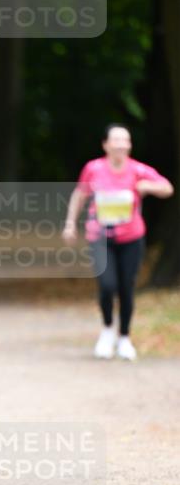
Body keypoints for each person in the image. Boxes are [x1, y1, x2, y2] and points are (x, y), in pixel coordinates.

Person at [63, 124, 173, 360]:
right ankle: (107, 330)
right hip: (100, 237)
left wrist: (148, 186)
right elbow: (79, 195)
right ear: (106, 145)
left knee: (126, 288)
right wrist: (70, 223)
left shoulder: (138, 170)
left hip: (131, 237)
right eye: (117, 140)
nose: (122, 145)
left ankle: (124, 337)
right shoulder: (93, 169)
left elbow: (167, 188)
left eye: (126, 140)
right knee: (107, 285)